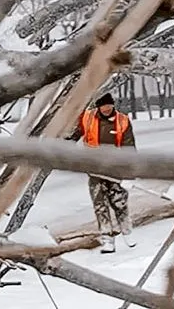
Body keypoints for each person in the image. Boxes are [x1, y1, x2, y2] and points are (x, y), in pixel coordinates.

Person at [72, 93, 137, 253]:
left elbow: (129, 148)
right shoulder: (87, 118)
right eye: (104, 106)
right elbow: (73, 135)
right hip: (94, 170)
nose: (107, 108)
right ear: (98, 106)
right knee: (100, 205)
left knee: (119, 202)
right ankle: (107, 238)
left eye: (109, 105)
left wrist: (129, 174)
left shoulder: (122, 121)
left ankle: (127, 231)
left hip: (115, 169)